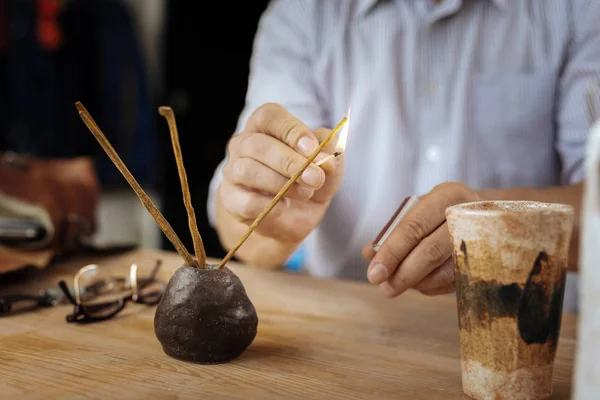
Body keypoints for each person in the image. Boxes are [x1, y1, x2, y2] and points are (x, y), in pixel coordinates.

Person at [207, 0, 599, 310]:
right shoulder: (304, 13)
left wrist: (498, 224)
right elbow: (239, 231)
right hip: (341, 335)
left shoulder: (575, 10)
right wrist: (271, 219)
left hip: (531, 332)